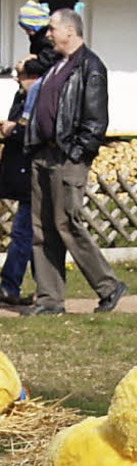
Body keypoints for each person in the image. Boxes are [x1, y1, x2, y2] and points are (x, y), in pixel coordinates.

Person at [24, 8, 127, 316]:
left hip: (66, 157)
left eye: (52, 29)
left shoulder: (90, 67)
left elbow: (96, 122)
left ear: (70, 31)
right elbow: (36, 56)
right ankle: (49, 300)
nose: (48, 34)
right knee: (42, 230)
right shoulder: (58, 64)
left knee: (67, 223)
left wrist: (78, 153)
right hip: (43, 154)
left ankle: (109, 286)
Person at [0, 62, 42, 305]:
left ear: (34, 77)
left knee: (24, 233)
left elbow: (36, 134)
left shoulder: (37, 99)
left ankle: (10, 285)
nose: (17, 79)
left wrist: (13, 131)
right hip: (24, 175)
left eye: (21, 75)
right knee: (30, 234)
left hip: (33, 175)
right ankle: (41, 287)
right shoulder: (23, 96)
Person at [17, 0, 58, 77]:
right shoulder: (37, 37)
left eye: (28, 29)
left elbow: (45, 62)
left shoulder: (46, 39)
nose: (26, 32)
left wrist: (25, 66)